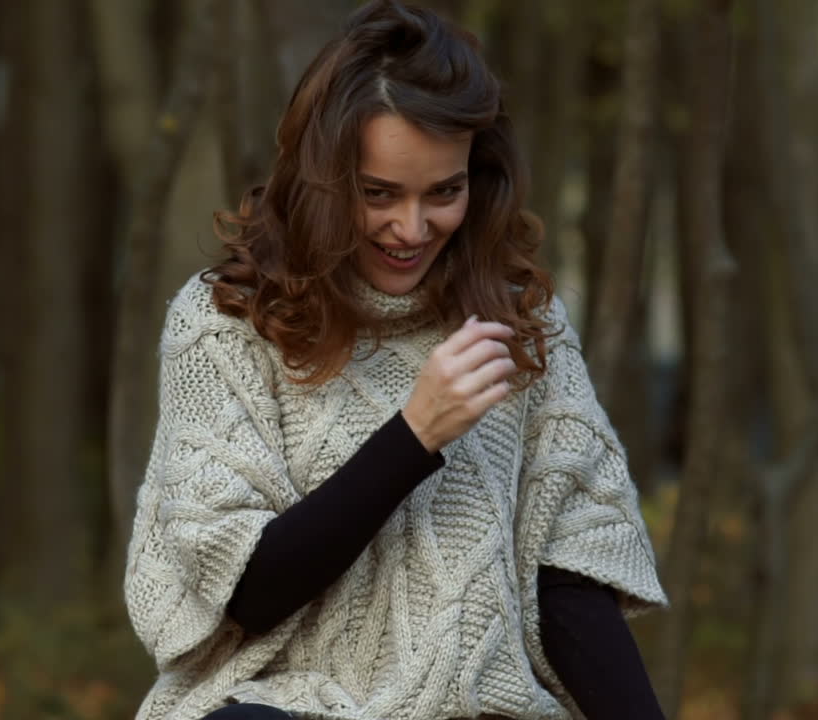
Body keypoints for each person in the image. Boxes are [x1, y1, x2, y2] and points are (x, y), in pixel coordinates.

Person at [124, 2, 668, 719]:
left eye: (444, 192)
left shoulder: (517, 323)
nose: (411, 229)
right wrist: (416, 433)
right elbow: (250, 594)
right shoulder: (224, 324)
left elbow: (566, 580)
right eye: (378, 194)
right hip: (279, 704)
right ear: (322, 177)